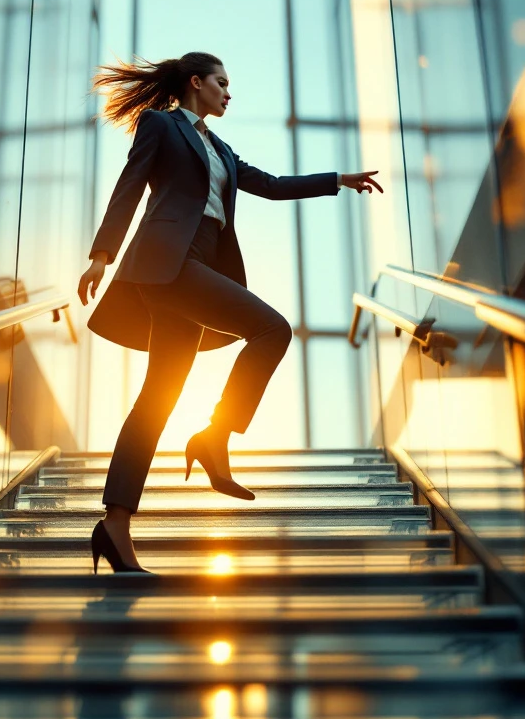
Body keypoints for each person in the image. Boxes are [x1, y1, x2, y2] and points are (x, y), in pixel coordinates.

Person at [78, 52, 382, 573]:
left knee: (156, 399)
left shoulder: (219, 147)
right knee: (273, 328)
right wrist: (101, 256)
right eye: (222, 82)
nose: (228, 92)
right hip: (167, 263)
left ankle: (115, 526)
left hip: (196, 261)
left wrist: (338, 179)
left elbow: (272, 184)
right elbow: (130, 187)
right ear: (196, 83)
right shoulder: (161, 125)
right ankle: (214, 436)